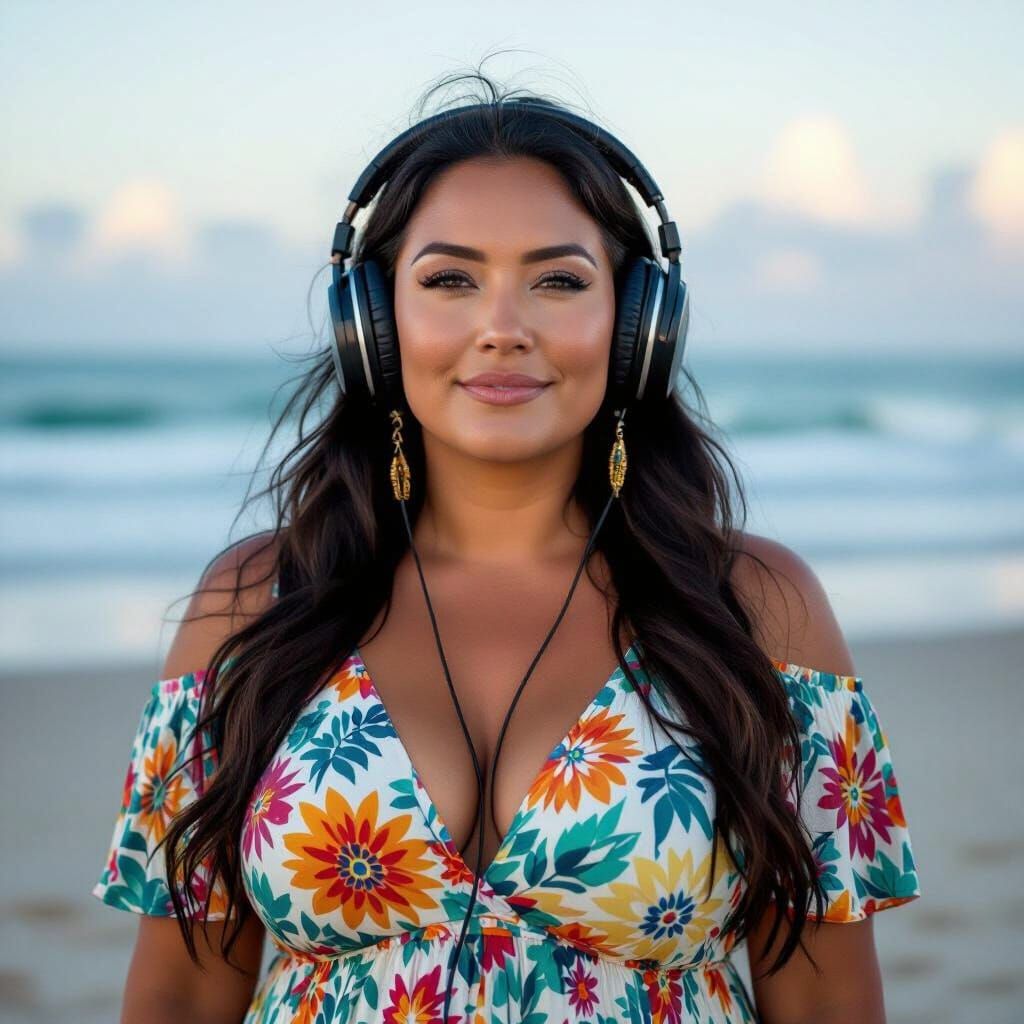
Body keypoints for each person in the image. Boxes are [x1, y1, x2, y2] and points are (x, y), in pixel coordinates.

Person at [92, 77, 921, 1023]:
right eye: (449, 278)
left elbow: (826, 1002)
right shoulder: (254, 601)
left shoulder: (759, 605)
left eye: (558, 279)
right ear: (372, 324)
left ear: (639, 327)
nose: (502, 328)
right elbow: (182, 987)